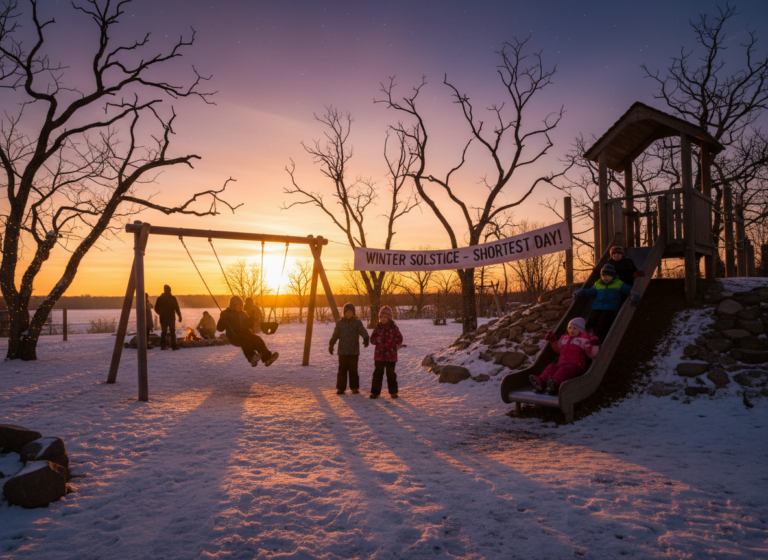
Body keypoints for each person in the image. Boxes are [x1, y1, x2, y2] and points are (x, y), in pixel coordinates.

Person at [530, 318, 599, 395]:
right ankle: (542, 382)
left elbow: (592, 354)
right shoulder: (564, 338)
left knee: (563, 371)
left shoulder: (584, 340)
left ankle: (554, 384)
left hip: (575, 366)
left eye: (574, 328)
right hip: (561, 364)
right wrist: (553, 340)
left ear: (580, 329)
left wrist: (594, 343)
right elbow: (558, 349)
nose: (571, 330)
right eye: (570, 328)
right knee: (551, 367)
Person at [574, 263, 641, 343]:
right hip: (597, 307)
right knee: (592, 319)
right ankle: (587, 335)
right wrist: (581, 292)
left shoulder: (618, 283)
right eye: (604, 276)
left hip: (610, 307)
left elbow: (628, 289)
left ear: (613, 276)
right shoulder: (598, 283)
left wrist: (634, 293)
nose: (605, 278)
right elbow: (591, 292)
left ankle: (598, 337)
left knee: (603, 321)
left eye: (608, 276)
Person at [218, 295, 279, 367]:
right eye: (238, 306)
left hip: (246, 332)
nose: (240, 308)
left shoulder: (243, 314)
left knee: (257, 339)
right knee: (245, 339)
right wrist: (222, 319)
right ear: (232, 306)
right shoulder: (226, 314)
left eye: (241, 306)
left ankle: (267, 358)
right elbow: (219, 328)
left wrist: (251, 318)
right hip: (234, 335)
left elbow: (249, 325)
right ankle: (251, 357)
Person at [329, 302, 370, 395]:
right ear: (344, 313)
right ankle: (341, 388)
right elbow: (335, 335)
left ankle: (354, 387)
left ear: (354, 313)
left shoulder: (357, 323)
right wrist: (331, 344)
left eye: (350, 312)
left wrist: (366, 338)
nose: (348, 314)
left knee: (353, 370)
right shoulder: (340, 323)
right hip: (342, 352)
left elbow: (363, 331)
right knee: (342, 370)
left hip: (353, 352)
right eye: (347, 312)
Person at [368, 306, 403, 399]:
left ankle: (393, 392)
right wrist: (376, 340)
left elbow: (400, 338)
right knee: (377, 374)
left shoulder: (394, 328)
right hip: (379, 356)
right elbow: (372, 339)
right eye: (381, 317)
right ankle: (375, 392)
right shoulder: (377, 328)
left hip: (391, 356)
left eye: (385, 317)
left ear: (389, 318)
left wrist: (396, 344)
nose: (382, 319)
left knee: (391, 374)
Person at [154, 284, 182, 350]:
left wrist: (160, 313)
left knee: (164, 332)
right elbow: (177, 308)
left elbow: (156, 308)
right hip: (170, 318)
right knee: (172, 332)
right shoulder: (172, 298)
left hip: (163, 318)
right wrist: (179, 316)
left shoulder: (160, 298)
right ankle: (173, 346)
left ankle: (163, 346)